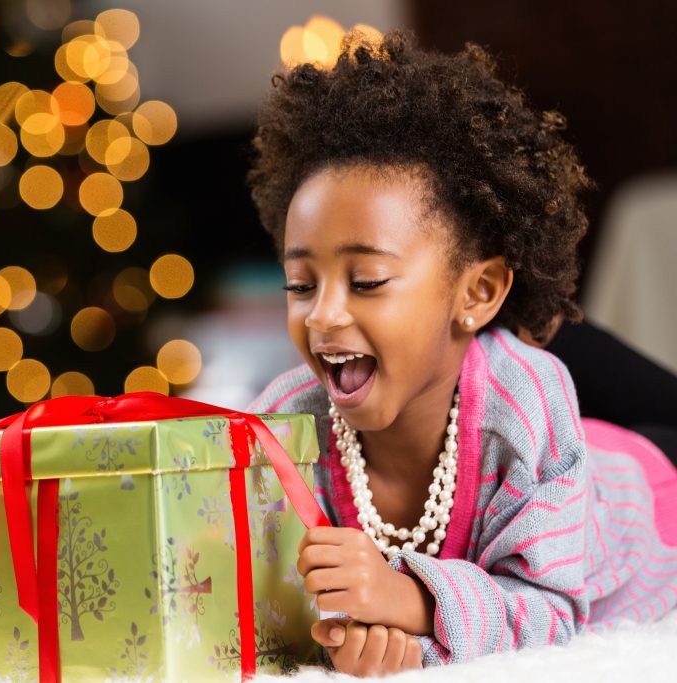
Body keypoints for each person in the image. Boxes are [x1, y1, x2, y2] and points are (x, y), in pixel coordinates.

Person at [245, 29, 677, 677]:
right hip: (490, 381)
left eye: (365, 281)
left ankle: (521, 327)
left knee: (552, 359)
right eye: (301, 284)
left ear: (478, 290)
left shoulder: (527, 411)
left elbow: (553, 611)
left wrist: (411, 596)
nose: (324, 314)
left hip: (641, 479)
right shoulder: (283, 424)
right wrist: (389, 640)